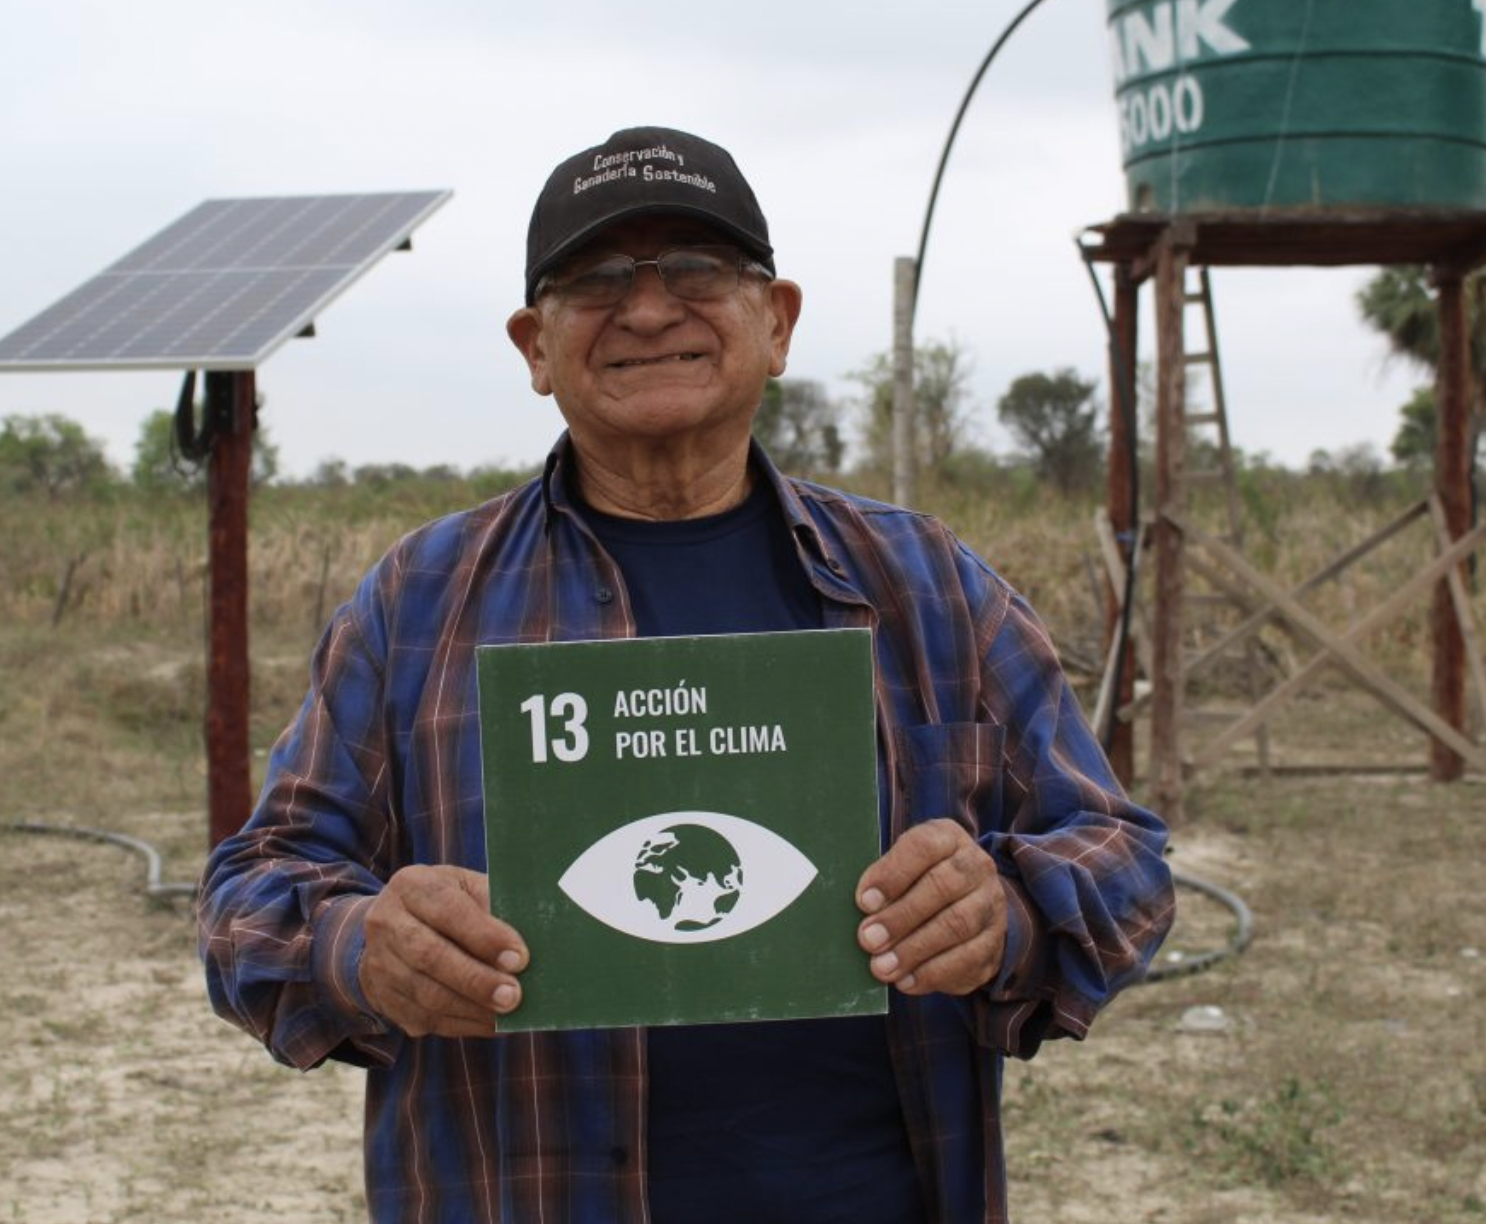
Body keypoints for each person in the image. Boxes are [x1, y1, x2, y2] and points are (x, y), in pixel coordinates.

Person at [198, 124, 1175, 1224]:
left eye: (698, 271)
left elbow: (1125, 860)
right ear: (533, 344)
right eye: (596, 280)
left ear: (778, 322)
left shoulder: (928, 587)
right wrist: (359, 947)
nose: (650, 309)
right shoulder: (416, 602)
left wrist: (1007, 914)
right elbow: (248, 897)